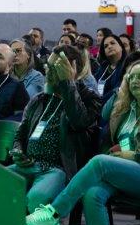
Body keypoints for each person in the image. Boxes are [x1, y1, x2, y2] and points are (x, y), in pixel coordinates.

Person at [25, 60, 140, 225]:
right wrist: (117, 151)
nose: (134, 81)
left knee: (100, 162)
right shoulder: (125, 109)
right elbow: (107, 133)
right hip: (126, 172)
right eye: (130, 77)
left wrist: (134, 155)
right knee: (92, 193)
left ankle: (54, 213)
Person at [9, 45, 101, 214]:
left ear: (72, 69)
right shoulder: (39, 99)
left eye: (54, 68)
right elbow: (20, 133)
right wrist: (18, 150)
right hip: (27, 164)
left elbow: (78, 121)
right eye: (47, 67)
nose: (47, 72)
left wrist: (68, 83)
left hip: (58, 169)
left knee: (35, 200)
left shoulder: (89, 97)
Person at [94, 34, 126, 100]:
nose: (109, 46)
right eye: (106, 46)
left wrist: (100, 100)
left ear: (121, 47)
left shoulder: (127, 66)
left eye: (112, 43)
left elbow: (118, 89)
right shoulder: (103, 67)